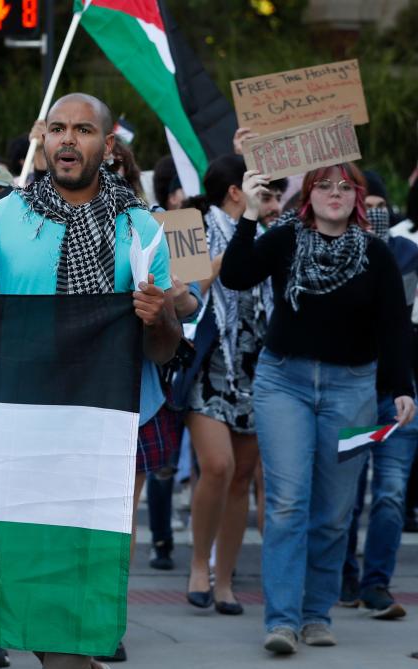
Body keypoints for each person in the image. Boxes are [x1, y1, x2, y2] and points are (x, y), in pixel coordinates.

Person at [0, 92, 181, 669]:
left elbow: (162, 347)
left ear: (107, 146)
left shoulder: (142, 227)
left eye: (83, 131)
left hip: (101, 432)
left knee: (73, 587)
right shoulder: (6, 217)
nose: (68, 140)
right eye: (58, 129)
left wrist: (160, 314)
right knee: (38, 583)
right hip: (24, 423)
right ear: (44, 142)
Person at [221, 164, 416, 655]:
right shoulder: (286, 237)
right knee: (287, 504)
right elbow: (236, 274)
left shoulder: (377, 253)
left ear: (358, 197)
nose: (335, 193)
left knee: (333, 512)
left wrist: (401, 387)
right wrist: (246, 213)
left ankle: (315, 614)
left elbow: (394, 327)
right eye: (324, 185)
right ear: (308, 196)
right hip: (283, 382)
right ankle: (283, 620)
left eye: (344, 187)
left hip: (352, 390)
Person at [182, 155, 271, 616]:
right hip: (209, 361)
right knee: (216, 465)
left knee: (241, 476)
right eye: (258, 186)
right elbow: (186, 290)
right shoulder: (192, 225)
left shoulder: (270, 229)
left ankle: (226, 581)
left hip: (258, 364)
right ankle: (200, 565)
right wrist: (236, 246)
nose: (268, 194)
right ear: (236, 192)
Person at [337, 171, 418, 620]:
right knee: (345, 494)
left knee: (390, 494)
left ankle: (377, 585)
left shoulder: (407, 255)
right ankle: (345, 574)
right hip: (351, 389)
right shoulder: (333, 255)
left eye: (379, 206)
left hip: (398, 393)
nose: (374, 215)